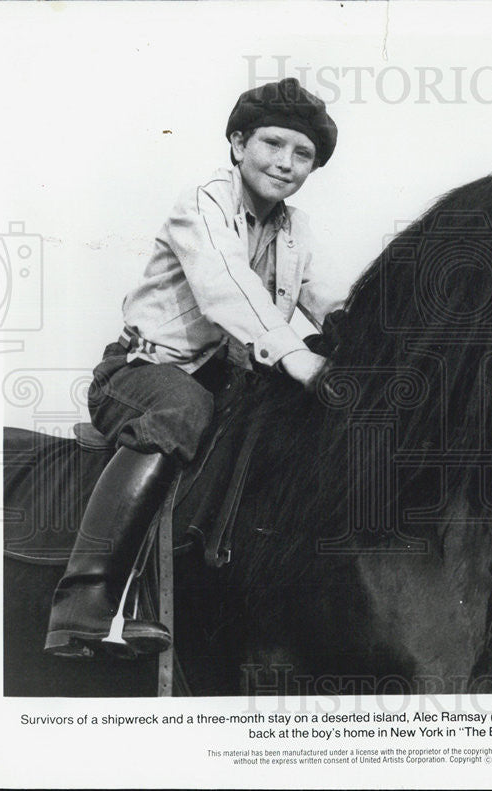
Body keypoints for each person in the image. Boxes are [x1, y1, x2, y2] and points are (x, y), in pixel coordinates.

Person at [44, 78, 347, 659]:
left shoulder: (296, 229)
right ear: (238, 144)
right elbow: (224, 286)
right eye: (273, 144)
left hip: (222, 383)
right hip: (141, 374)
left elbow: (330, 300)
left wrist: (376, 333)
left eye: (302, 154)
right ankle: (84, 601)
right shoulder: (204, 201)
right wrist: (295, 354)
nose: (285, 163)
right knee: (182, 407)